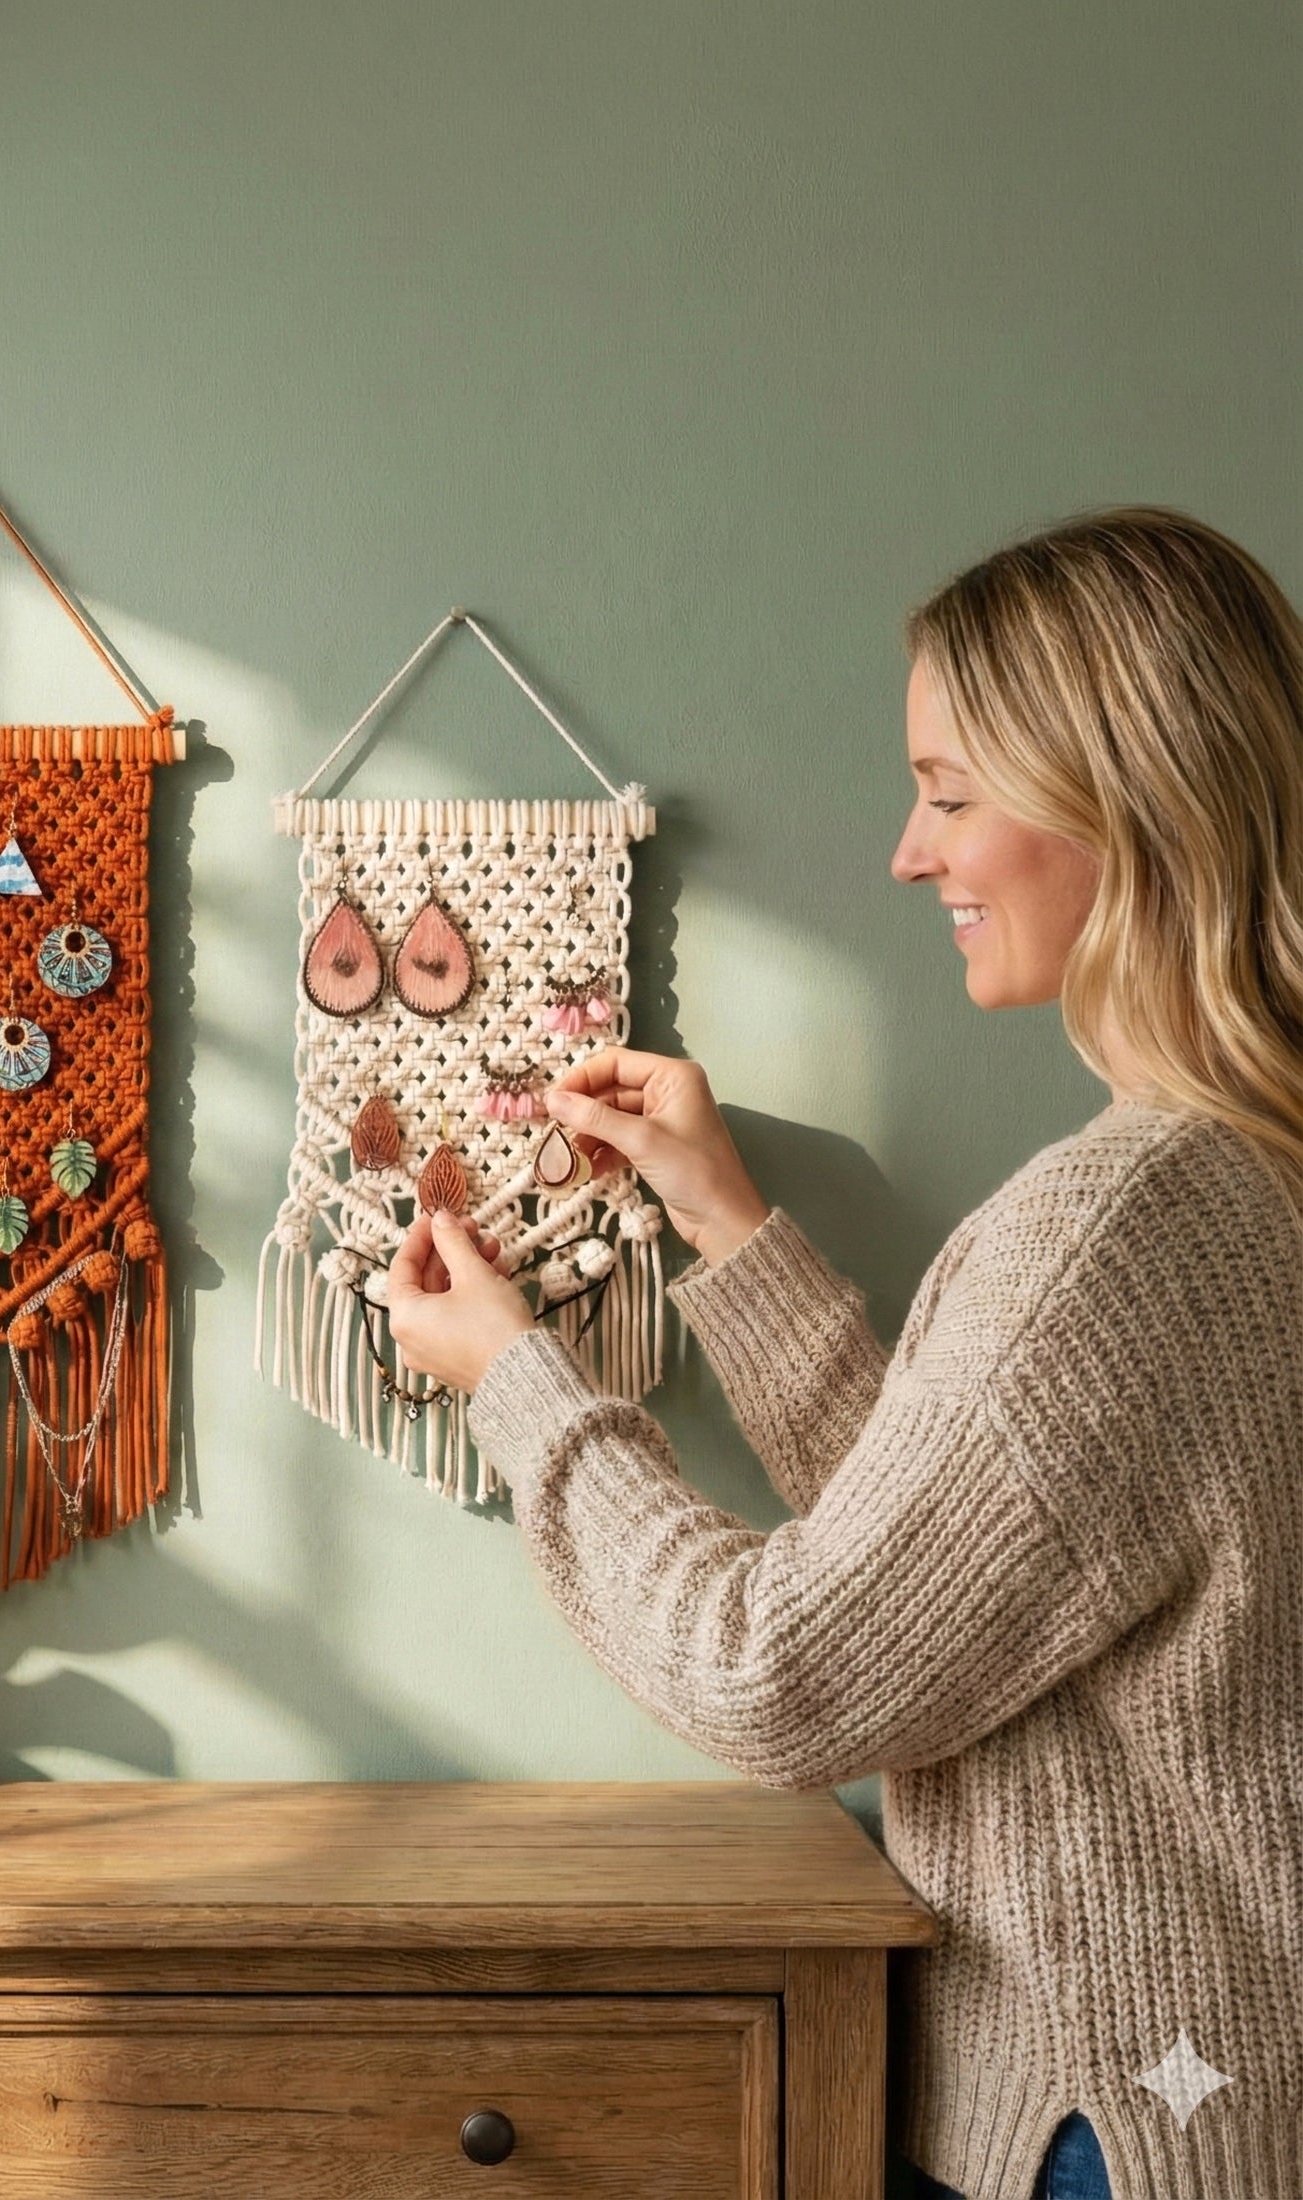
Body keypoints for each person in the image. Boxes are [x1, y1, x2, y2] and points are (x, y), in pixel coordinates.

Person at [384, 509, 1303, 2200]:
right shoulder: (1246, 1178)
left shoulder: (1124, 1226)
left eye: (950, 793)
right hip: (1221, 2093)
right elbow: (979, 1563)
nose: (906, 852)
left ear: (1129, 799)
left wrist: (521, 1381)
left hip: (1133, 2123)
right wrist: (727, 1222)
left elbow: (783, 1673)